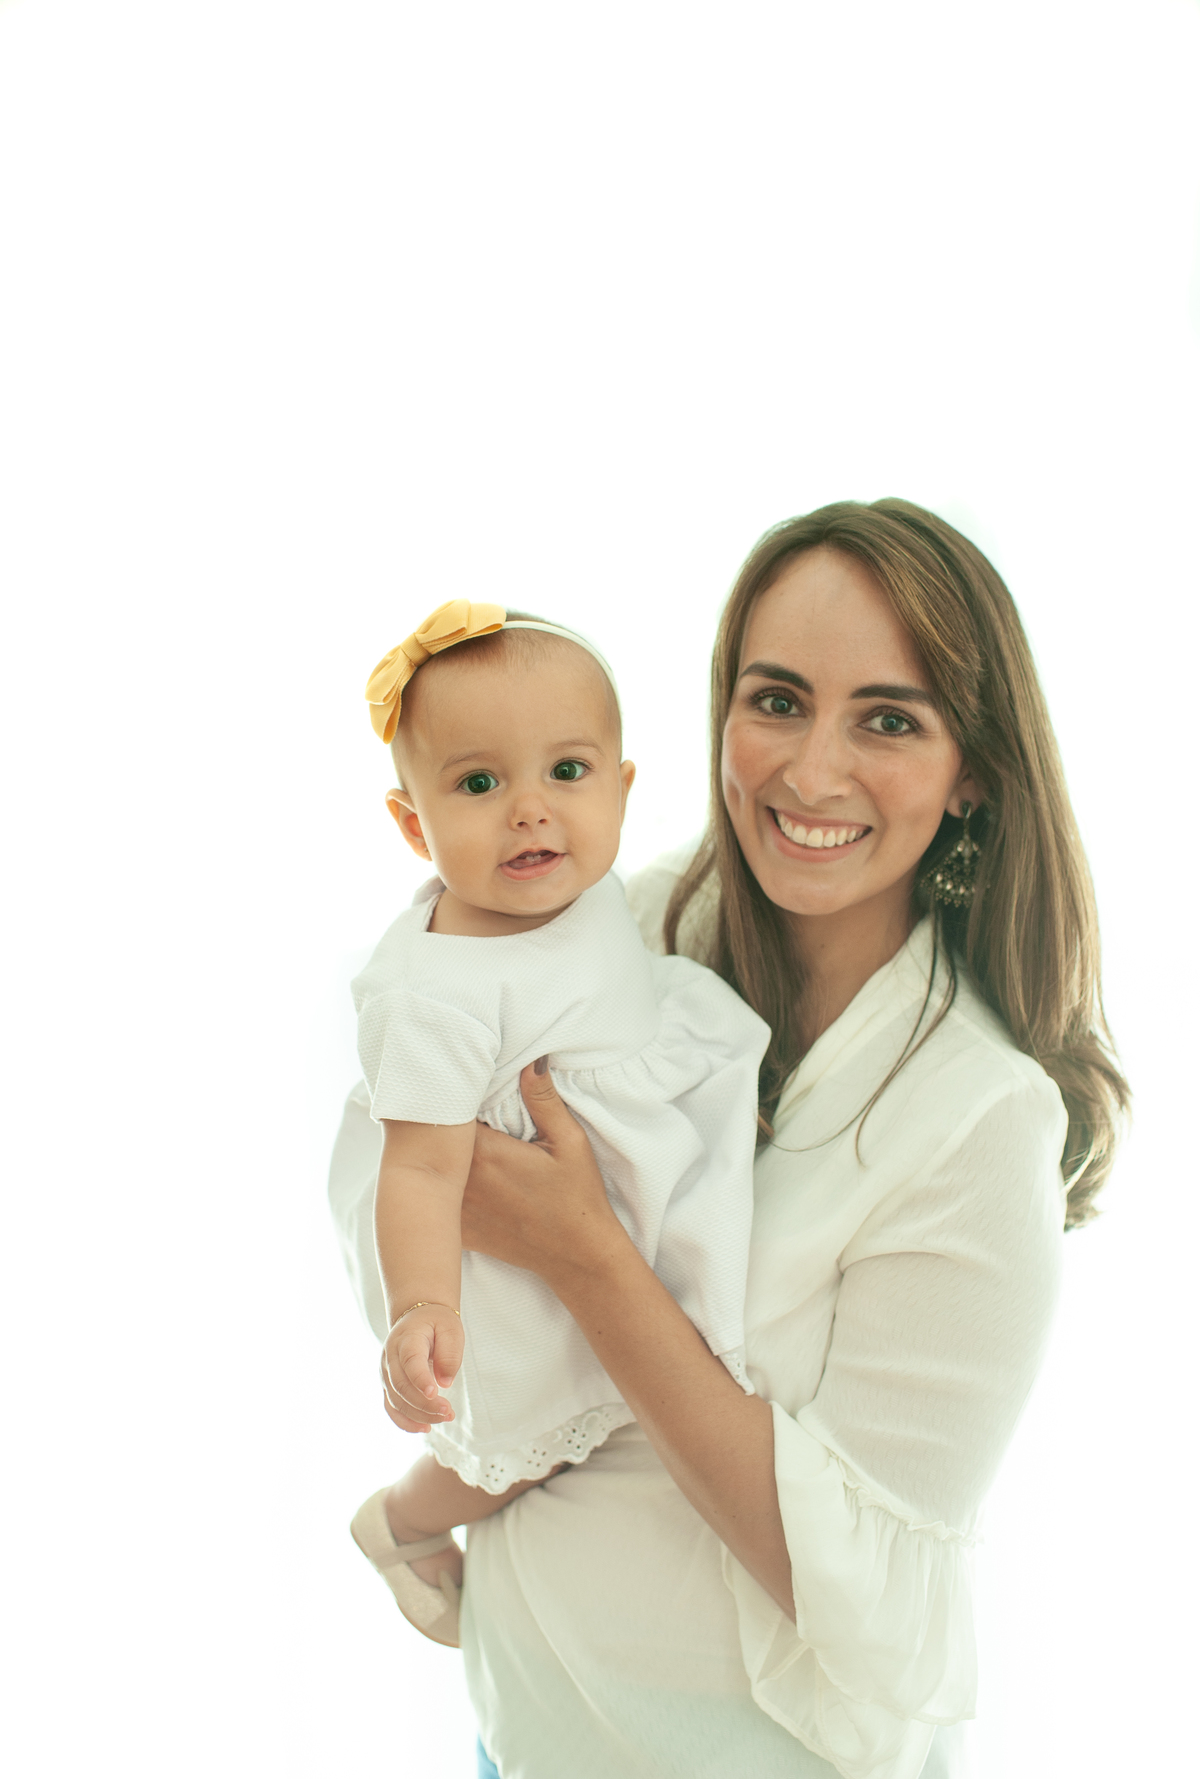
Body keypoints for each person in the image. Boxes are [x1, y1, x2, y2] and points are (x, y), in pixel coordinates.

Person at [408, 501, 1130, 1779]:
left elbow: (845, 1581)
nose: (810, 771)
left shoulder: (981, 1120)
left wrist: (587, 1255)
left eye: (889, 719)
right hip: (521, 1735)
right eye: (778, 700)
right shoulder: (631, 929)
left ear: (972, 769)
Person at [328, 601, 770, 1649]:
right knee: (543, 1436)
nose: (531, 811)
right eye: (479, 784)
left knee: (635, 1385)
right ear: (410, 824)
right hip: (494, 1233)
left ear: (621, 788)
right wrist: (422, 1307)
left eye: (566, 773)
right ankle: (402, 1520)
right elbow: (426, 1173)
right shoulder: (437, 993)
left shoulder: (573, 885)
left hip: (603, 1146)